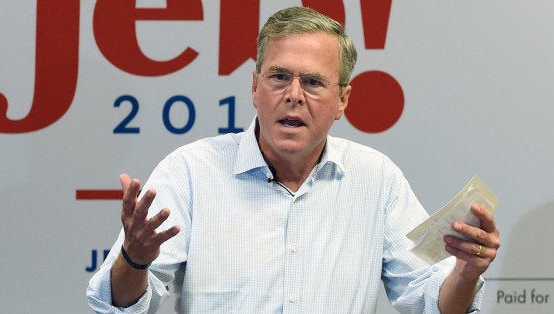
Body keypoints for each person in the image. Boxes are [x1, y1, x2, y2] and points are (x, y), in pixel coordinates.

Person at [87, 6, 500, 313]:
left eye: (314, 82)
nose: (294, 94)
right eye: (280, 77)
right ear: (254, 88)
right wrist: (135, 258)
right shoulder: (193, 170)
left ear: (343, 100)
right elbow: (114, 305)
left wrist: (465, 273)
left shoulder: (376, 179)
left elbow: (431, 301)